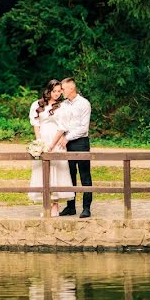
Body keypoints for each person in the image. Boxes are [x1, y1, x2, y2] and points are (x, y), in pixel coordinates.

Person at [29, 79, 75, 216]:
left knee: (57, 170)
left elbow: (62, 128)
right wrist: (39, 142)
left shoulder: (63, 107)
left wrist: (52, 145)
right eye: (54, 91)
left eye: (59, 91)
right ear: (48, 91)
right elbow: (36, 124)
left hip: (56, 141)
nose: (56, 94)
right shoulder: (37, 104)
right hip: (43, 140)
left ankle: (55, 205)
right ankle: (46, 204)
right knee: (43, 172)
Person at [58, 78, 92, 217]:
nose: (61, 92)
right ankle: (70, 207)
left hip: (80, 142)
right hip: (66, 143)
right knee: (69, 174)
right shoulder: (63, 105)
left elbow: (83, 128)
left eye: (63, 89)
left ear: (71, 89)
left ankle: (86, 208)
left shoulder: (84, 104)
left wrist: (67, 137)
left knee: (85, 175)